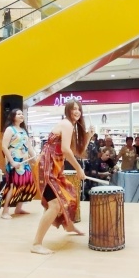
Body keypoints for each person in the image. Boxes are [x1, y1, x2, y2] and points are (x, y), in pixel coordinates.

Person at [31, 99, 92, 254]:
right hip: (47, 168)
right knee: (55, 205)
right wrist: (79, 169)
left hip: (54, 168)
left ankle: (68, 226)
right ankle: (36, 244)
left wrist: (89, 136)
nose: (77, 111)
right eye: (73, 108)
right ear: (67, 110)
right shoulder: (66, 124)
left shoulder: (70, 126)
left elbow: (75, 152)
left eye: (79, 109)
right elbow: (65, 150)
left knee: (68, 194)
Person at [0, 108, 37, 219]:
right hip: (14, 161)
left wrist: (35, 159)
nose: (21, 115)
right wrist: (11, 161)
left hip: (24, 161)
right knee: (13, 185)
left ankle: (18, 208)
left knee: (27, 183)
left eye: (22, 114)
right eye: (18, 114)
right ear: (13, 116)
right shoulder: (9, 129)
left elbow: (29, 146)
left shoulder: (23, 130)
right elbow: (4, 146)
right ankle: (5, 211)